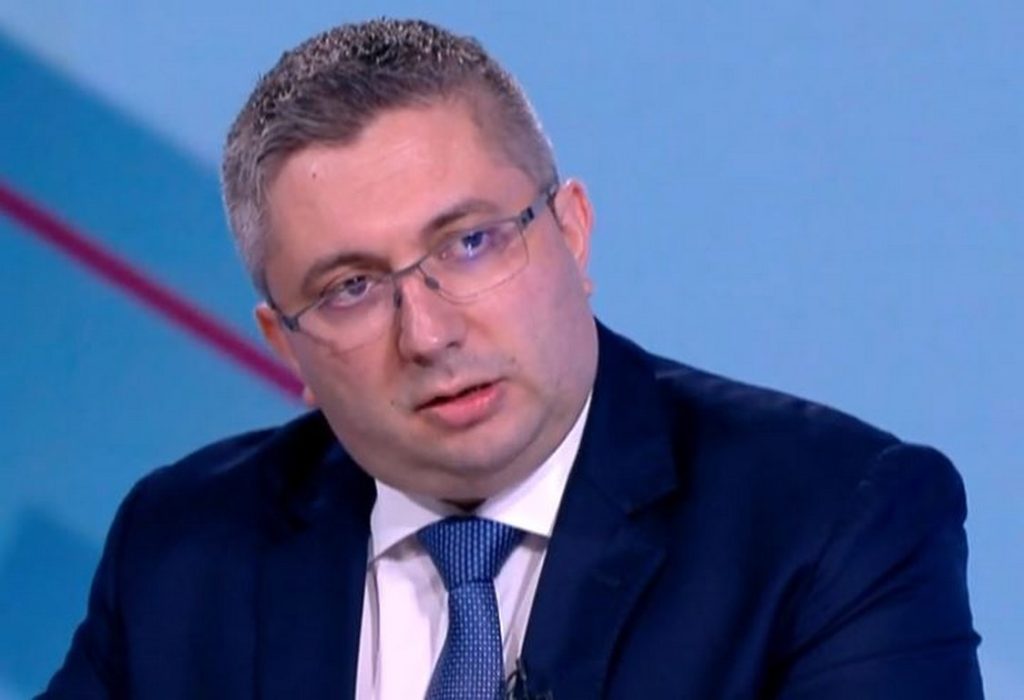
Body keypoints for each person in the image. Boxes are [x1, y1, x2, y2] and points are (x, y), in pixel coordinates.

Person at [42, 17, 982, 700]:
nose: (429, 334)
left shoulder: (833, 522)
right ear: (286, 344)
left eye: (469, 244)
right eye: (351, 288)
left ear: (572, 231)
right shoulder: (183, 551)